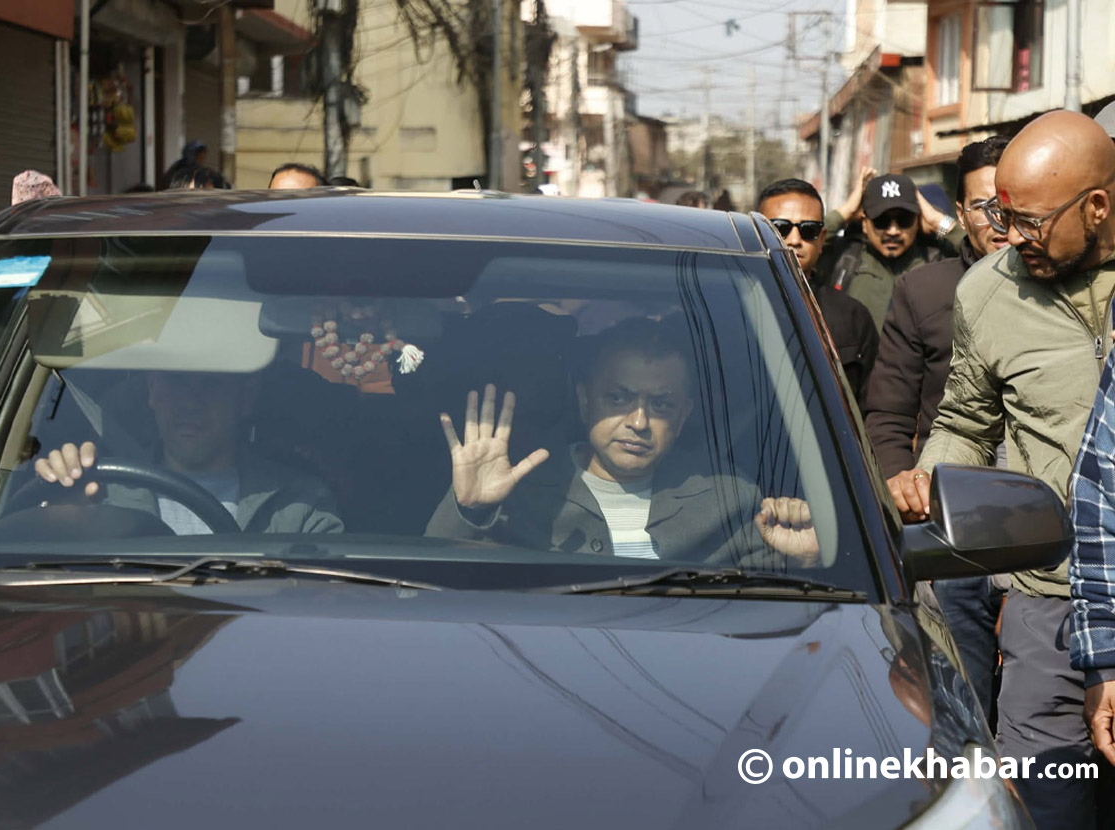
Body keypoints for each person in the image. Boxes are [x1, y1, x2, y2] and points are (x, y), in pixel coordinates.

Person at [888, 110, 1115, 830]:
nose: (1012, 237)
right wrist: (932, 480)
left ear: (1098, 205)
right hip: (1047, 606)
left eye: (1032, 221)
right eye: (1000, 216)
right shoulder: (988, 292)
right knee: (1043, 808)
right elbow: (964, 421)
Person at [426, 318, 820, 565]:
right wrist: (469, 510)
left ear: (683, 415)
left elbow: (774, 603)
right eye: (618, 398)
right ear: (584, 401)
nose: (639, 422)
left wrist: (807, 559)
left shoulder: (729, 499)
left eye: (661, 405)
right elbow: (429, 587)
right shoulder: (516, 493)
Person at [864, 135, 1011, 725]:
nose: (998, 220)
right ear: (960, 212)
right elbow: (889, 412)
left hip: (1047, 519)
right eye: (982, 206)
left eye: (1009, 203)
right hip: (949, 518)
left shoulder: (1069, 291)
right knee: (960, 698)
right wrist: (902, 484)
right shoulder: (924, 291)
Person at [34, 371, 343, 535]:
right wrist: (59, 515)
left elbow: (320, 606)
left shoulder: (299, 505)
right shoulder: (98, 490)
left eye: (211, 383)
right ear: (152, 391)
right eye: (176, 380)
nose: (190, 402)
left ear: (245, 398)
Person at [757, 178, 878, 407]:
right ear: (757, 233)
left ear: (822, 240)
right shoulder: (729, 308)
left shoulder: (852, 316)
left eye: (808, 230)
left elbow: (874, 408)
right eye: (779, 228)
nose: (794, 240)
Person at [820, 171, 965, 330]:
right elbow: (803, 248)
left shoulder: (937, 260)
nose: (893, 231)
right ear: (864, 223)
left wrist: (938, 223)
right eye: (881, 221)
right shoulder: (844, 256)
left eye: (904, 220)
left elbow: (981, 257)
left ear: (918, 221)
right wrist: (844, 213)